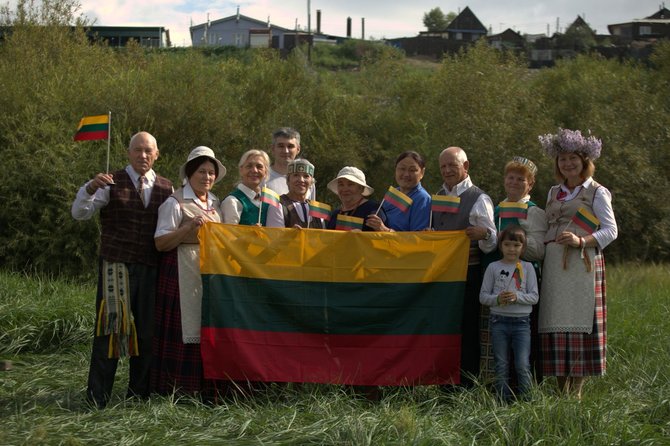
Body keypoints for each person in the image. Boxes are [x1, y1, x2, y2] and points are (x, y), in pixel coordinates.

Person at [71, 131, 173, 408]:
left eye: (148, 151)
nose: (143, 155)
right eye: (137, 150)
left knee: (147, 333)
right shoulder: (108, 182)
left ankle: (139, 395)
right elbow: (79, 213)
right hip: (115, 266)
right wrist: (90, 187)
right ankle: (97, 397)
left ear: (156, 154)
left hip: (152, 268)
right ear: (128, 153)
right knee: (109, 331)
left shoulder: (167, 187)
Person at [538, 128, 617, 399]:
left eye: (572, 158)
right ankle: (561, 392)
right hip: (553, 267)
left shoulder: (597, 192)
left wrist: (582, 241)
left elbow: (611, 230)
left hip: (582, 265)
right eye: (562, 159)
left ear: (584, 161)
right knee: (554, 323)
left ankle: (577, 393)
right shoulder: (552, 192)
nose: (567, 164)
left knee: (580, 325)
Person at [151, 146, 226, 396]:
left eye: (211, 173)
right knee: (183, 328)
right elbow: (160, 243)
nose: (206, 177)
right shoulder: (175, 202)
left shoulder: (216, 203)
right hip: (180, 271)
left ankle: (203, 388)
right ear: (190, 173)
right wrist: (188, 228)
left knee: (204, 326)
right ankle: (178, 387)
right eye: (201, 172)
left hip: (207, 272)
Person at [432, 146, 497, 386]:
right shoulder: (437, 196)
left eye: (453, 165)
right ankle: (444, 383)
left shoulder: (479, 198)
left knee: (467, 331)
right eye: (444, 166)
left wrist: (484, 234)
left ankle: (466, 385)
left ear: (466, 167)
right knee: (445, 329)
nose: (448, 170)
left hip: (468, 273)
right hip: (442, 275)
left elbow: (492, 243)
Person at [481, 156, 547, 383]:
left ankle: (525, 385)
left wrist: (517, 238)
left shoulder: (533, 212)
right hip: (497, 278)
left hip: (523, 278)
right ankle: (499, 386)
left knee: (523, 342)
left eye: (521, 179)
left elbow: (539, 251)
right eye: (511, 177)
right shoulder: (497, 209)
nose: (515, 182)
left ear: (530, 184)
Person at [480, 225, 539, 402]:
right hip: (499, 322)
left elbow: (534, 297)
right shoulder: (493, 267)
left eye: (516, 245)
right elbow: (483, 296)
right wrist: (498, 299)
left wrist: (517, 297)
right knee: (501, 364)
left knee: (522, 364)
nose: (511, 249)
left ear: (523, 247)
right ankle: (501, 402)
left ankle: (528, 403)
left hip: (522, 323)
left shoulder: (528, 268)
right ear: (501, 246)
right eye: (507, 245)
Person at [366, 151, 431, 232]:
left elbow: (417, 238)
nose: (406, 174)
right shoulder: (392, 194)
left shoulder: (422, 198)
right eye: (402, 169)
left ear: (422, 172)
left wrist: (385, 230)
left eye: (412, 170)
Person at [266, 158, 326, 229]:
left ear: (311, 183)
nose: (301, 180)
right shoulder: (278, 205)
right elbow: (274, 237)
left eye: (306, 176)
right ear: (288, 180)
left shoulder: (317, 209)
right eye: (296, 175)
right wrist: (290, 235)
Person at [221, 149, 271, 226]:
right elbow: (228, 235)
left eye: (259, 166)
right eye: (249, 166)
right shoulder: (233, 201)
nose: (254, 170)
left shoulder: (268, 201)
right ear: (241, 170)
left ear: (265, 172)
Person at [326, 166, 383, 232]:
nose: (345, 189)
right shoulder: (335, 214)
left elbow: (386, 239)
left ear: (361, 188)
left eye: (350, 184)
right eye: (341, 184)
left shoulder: (373, 210)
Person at [265, 127, 316, 199]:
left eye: (290, 146)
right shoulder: (263, 177)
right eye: (281, 146)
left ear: (298, 149)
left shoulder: (306, 180)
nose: (286, 151)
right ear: (273, 148)